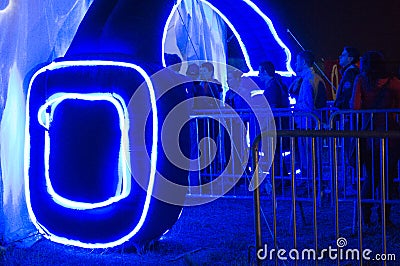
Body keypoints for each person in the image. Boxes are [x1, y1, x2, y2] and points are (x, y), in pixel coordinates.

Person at [350, 50, 400, 228]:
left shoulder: (361, 80)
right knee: (387, 177)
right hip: (391, 135)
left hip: (369, 135)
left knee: (371, 177)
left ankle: (365, 216)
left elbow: (354, 106)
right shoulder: (393, 82)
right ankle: (385, 217)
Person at [293, 50, 327, 178]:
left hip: (307, 123)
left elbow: (307, 105)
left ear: (303, 62)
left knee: (308, 155)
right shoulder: (314, 78)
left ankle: (312, 184)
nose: (295, 63)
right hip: (312, 122)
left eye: (297, 60)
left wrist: (294, 109)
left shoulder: (308, 81)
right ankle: (314, 182)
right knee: (311, 155)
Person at [259, 61, 290, 176]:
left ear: (265, 72)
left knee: (272, 152)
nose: (258, 75)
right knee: (274, 152)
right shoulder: (274, 85)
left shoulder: (272, 88)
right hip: (275, 123)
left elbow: (272, 107)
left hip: (273, 124)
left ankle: (277, 179)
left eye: (260, 72)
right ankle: (281, 177)